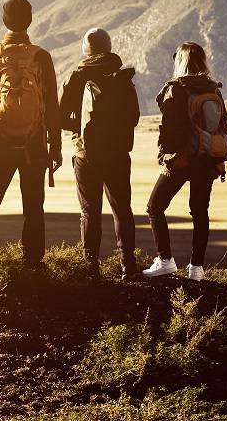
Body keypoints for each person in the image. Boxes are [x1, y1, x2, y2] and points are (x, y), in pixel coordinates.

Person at [0, 0, 62, 267]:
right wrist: (56, 147)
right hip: (34, 145)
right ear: (29, 20)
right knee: (33, 209)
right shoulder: (41, 57)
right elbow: (52, 105)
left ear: (4, 20)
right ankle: (32, 265)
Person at [58, 28, 140, 280]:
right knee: (122, 210)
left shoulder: (76, 77)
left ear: (86, 49)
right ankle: (129, 266)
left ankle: (90, 266)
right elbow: (134, 118)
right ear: (109, 46)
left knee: (90, 212)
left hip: (86, 154)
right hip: (117, 155)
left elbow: (60, 117)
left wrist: (80, 133)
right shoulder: (122, 77)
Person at [143, 41, 225, 281]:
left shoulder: (176, 89)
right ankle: (196, 268)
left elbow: (167, 130)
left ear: (181, 61)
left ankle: (165, 260)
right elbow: (223, 125)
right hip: (208, 158)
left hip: (181, 160)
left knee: (154, 207)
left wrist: (163, 154)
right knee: (200, 212)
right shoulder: (214, 89)